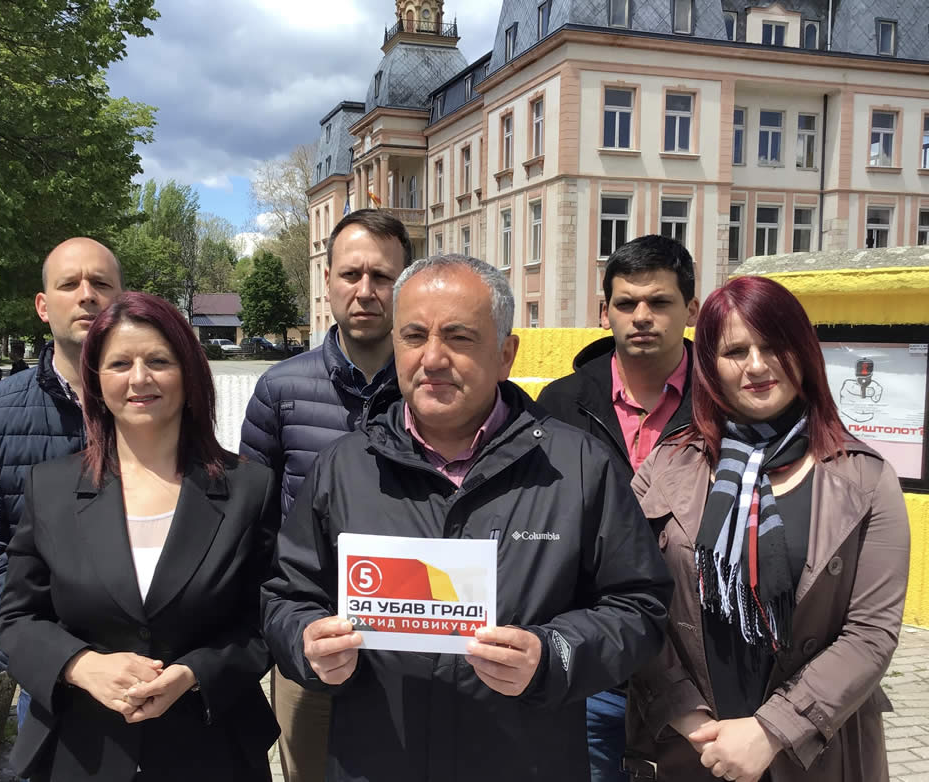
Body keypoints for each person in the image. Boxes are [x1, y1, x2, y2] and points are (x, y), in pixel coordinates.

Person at [262, 254, 673, 782]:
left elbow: (639, 606)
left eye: (458, 337)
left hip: (527, 764)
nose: (432, 358)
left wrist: (553, 655)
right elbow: (286, 596)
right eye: (414, 336)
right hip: (377, 761)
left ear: (505, 354)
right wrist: (306, 643)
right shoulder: (342, 467)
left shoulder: (579, 467)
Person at [625, 275, 910, 782]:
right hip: (690, 747)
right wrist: (688, 717)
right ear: (710, 364)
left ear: (803, 352)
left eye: (774, 345)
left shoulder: (866, 479)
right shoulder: (665, 468)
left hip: (816, 749)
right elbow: (629, 600)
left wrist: (771, 731)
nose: (756, 366)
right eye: (735, 351)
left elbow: (871, 634)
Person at [0, 292, 281, 781]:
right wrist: (78, 664)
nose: (139, 378)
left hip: (211, 751)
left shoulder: (249, 488)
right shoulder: (51, 488)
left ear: (189, 375)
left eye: (159, 361)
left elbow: (265, 620)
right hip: (81, 752)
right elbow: (17, 619)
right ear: (96, 380)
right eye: (120, 363)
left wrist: (195, 673)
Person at [240, 208, 412, 782]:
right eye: (351, 274)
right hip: (310, 642)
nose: (365, 291)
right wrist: (278, 629)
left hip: (413, 638)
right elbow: (252, 523)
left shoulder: (431, 388)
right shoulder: (280, 389)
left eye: (382, 276)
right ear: (328, 280)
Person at [537, 234, 699, 781]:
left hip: (698, 671)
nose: (642, 316)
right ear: (604, 312)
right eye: (626, 303)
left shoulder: (724, 403)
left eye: (660, 301)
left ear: (691, 310)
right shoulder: (560, 403)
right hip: (594, 665)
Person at [0, 237, 124, 730]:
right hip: (54, 681)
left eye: (101, 283)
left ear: (123, 301)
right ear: (43, 307)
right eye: (70, 284)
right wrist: (63, 653)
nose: (87, 295)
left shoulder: (162, 405)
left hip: (155, 665)